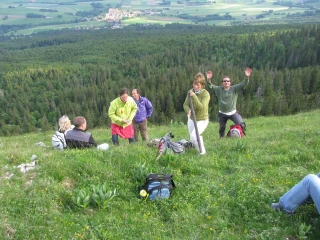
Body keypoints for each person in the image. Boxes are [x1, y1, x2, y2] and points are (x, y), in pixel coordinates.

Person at [206, 67, 252, 138]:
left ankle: (240, 135)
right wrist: (208, 80)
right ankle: (222, 140)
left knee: (241, 124)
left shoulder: (235, 88)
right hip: (222, 113)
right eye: (224, 81)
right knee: (221, 129)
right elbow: (211, 86)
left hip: (233, 113)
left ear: (230, 83)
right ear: (222, 83)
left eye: (228, 81)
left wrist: (247, 77)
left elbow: (243, 84)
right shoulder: (219, 89)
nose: (226, 82)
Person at [183, 72, 210, 155]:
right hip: (191, 118)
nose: (195, 87)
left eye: (198, 85)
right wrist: (188, 110)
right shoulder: (190, 91)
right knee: (192, 138)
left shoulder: (206, 94)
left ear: (202, 85)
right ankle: (191, 148)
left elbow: (201, 107)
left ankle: (202, 153)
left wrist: (194, 96)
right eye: (194, 84)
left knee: (195, 135)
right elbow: (185, 104)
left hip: (202, 120)